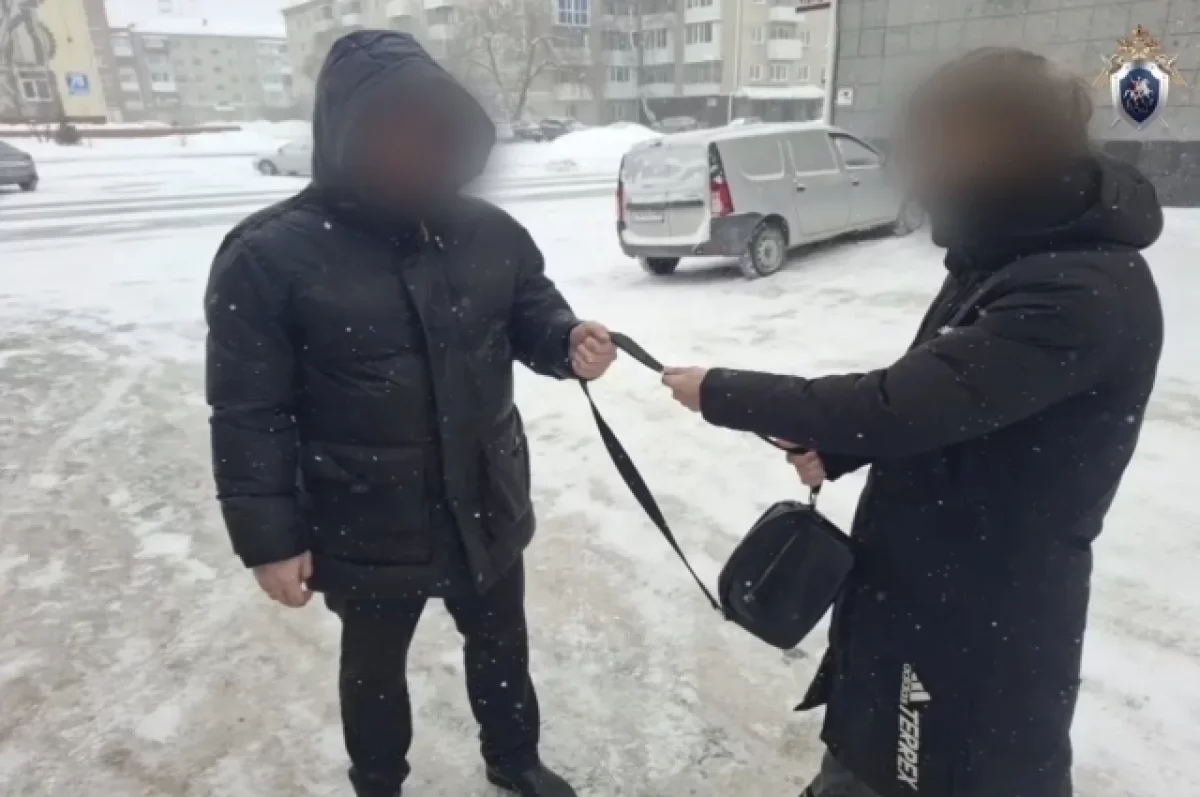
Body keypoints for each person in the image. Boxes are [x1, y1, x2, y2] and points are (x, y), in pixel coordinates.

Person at [662, 48, 1164, 797]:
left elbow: (900, 405)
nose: (915, 170)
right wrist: (839, 448)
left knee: (935, 774)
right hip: (922, 589)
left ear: (1002, 147)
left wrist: (724, 392)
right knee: (867, 763)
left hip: (977, 620)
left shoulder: (1079, 287)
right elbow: (954, 402)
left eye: (930, 145)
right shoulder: (1009, 254)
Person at [204, 30, 616, 797]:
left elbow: (532, 313)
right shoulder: (267, 258)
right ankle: (379, 782)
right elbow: (248, 412)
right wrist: (270, 539)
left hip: (484, 496)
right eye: (387, 129)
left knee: (501, 643)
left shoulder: (489, 232)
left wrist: (568, 342)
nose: (410, 149)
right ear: (343, 133)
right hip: (365, 513)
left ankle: (514, 758)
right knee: (374, 668)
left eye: (426, 128)